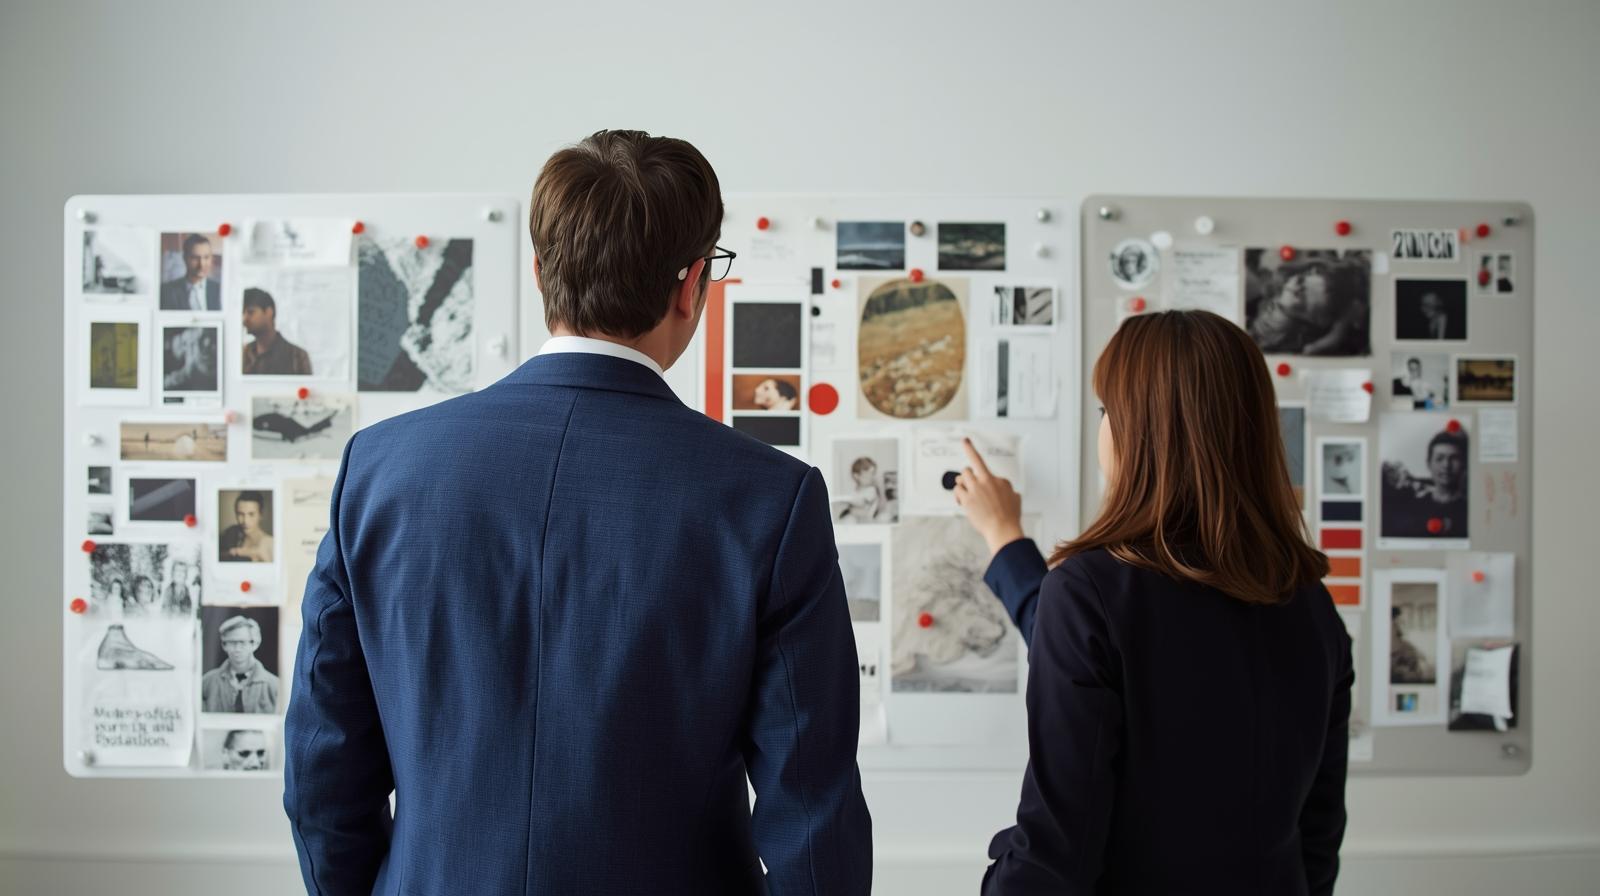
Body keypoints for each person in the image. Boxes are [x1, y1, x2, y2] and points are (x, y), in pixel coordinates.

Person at [284, 130, 871, 896]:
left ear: (540, 273)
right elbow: (813, 819)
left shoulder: (380, 470)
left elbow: (323, 775)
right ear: (692, 285)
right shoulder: (768, 499)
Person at [953, 310, 1352, 895]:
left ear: (1138, 431)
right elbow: (1318, 838)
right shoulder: (1310, 604)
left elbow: (1053, 856)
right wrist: (1006, 541)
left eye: (1105, 411)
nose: (1102, 429)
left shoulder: (1091, 594)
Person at [1380, 428, 1468, 538]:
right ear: (1429, 464)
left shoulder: (1468, 509)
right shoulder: (1411, 507)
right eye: (1439, 458)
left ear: (1464, 464)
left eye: (1454, 458)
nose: (1446, 465)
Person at [201, 616, 279, 713]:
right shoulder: (206, 683)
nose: (237, 648)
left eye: (242, 642)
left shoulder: (274, 686)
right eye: (232, 642)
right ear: (224, 645)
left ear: (255, 644)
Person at [240, 288, 313, 376]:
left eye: (251, 312)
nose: (244, 320)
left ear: (269, 312)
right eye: (243, 313)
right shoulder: (242, 354)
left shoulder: (297, 356)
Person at [160, 234, 222, 311]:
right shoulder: (166, 291)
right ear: (184, 258)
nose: (201, 264)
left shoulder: (220, 290)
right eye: (195, 258)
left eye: (206, 257)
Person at [219, 491, 274, 562]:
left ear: (260, 515)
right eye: (241, 514)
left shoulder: (270, 543)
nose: (245, 521)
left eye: (251, 514)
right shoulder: (231, 534)